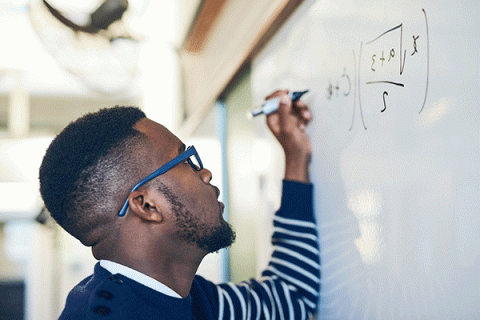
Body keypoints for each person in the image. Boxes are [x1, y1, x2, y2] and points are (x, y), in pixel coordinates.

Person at [39, 90, 320, 319]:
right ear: (146, 205)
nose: (205, 173)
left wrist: (295, 156)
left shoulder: (185, 298)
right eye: (184, 161)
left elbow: (289, 295)